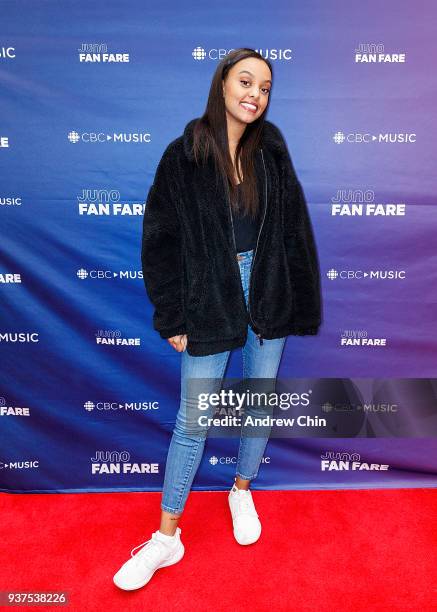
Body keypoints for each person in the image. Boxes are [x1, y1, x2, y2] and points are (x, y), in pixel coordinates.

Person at [113, 48, 322, 591]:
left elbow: (294, 226)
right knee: (194, 419)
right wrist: (173, 315)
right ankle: (167, 537)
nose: (255, 93)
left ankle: (241, 489)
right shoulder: (183, 155)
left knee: (257, 400)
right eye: (246, 81)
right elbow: (159, 243)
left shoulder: (271, 149)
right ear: (222, 85)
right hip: (209, 294)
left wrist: (298, 298)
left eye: (266, 86)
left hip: (268, 288)